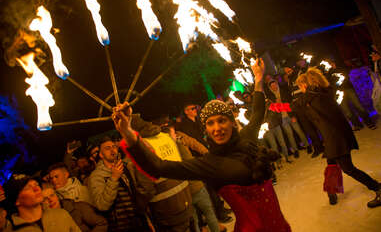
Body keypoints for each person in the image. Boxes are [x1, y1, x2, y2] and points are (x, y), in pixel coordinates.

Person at [113, 58, 291, 232]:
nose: (217, 128)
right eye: (210, 123)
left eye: (222, 121)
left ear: (231, 122)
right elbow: (157, 167)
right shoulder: (209, 164)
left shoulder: (248, 138)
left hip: (280, 225)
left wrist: (259, 78)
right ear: (205, 129)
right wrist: (128, 132)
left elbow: (258, 112)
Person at [295, 68, 381, 207]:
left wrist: (277, 106)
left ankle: (377, 187)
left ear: (305, 85)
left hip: (336, 138)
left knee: (348, 168)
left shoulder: (315, 98)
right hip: (334, 137)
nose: (300, 89)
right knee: (331, 163)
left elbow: (299, 105)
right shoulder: (321, 94)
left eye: (300, 86)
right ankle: (332, 191)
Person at [88, 136, 154, 232]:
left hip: (140, 224)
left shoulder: (127, 167)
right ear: (101, 155)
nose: (112, 150)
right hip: (120, 227)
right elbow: (102, 205)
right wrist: (114, 178)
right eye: (107, 148)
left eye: (114, 146)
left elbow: (137, 196)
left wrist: (147, 219)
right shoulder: (96, 176)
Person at [3, 174, 81, 232]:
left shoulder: (61, 214)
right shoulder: (11, 230)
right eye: (27, 188)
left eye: (36, 184)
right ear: (17, 201)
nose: (36, 189)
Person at [41, 183, 108, 232]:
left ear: (57, 196)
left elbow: (102, 223)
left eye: (52, 195)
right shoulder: (45, 221)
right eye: (45, 199)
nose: (50, 200)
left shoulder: (78, 207)